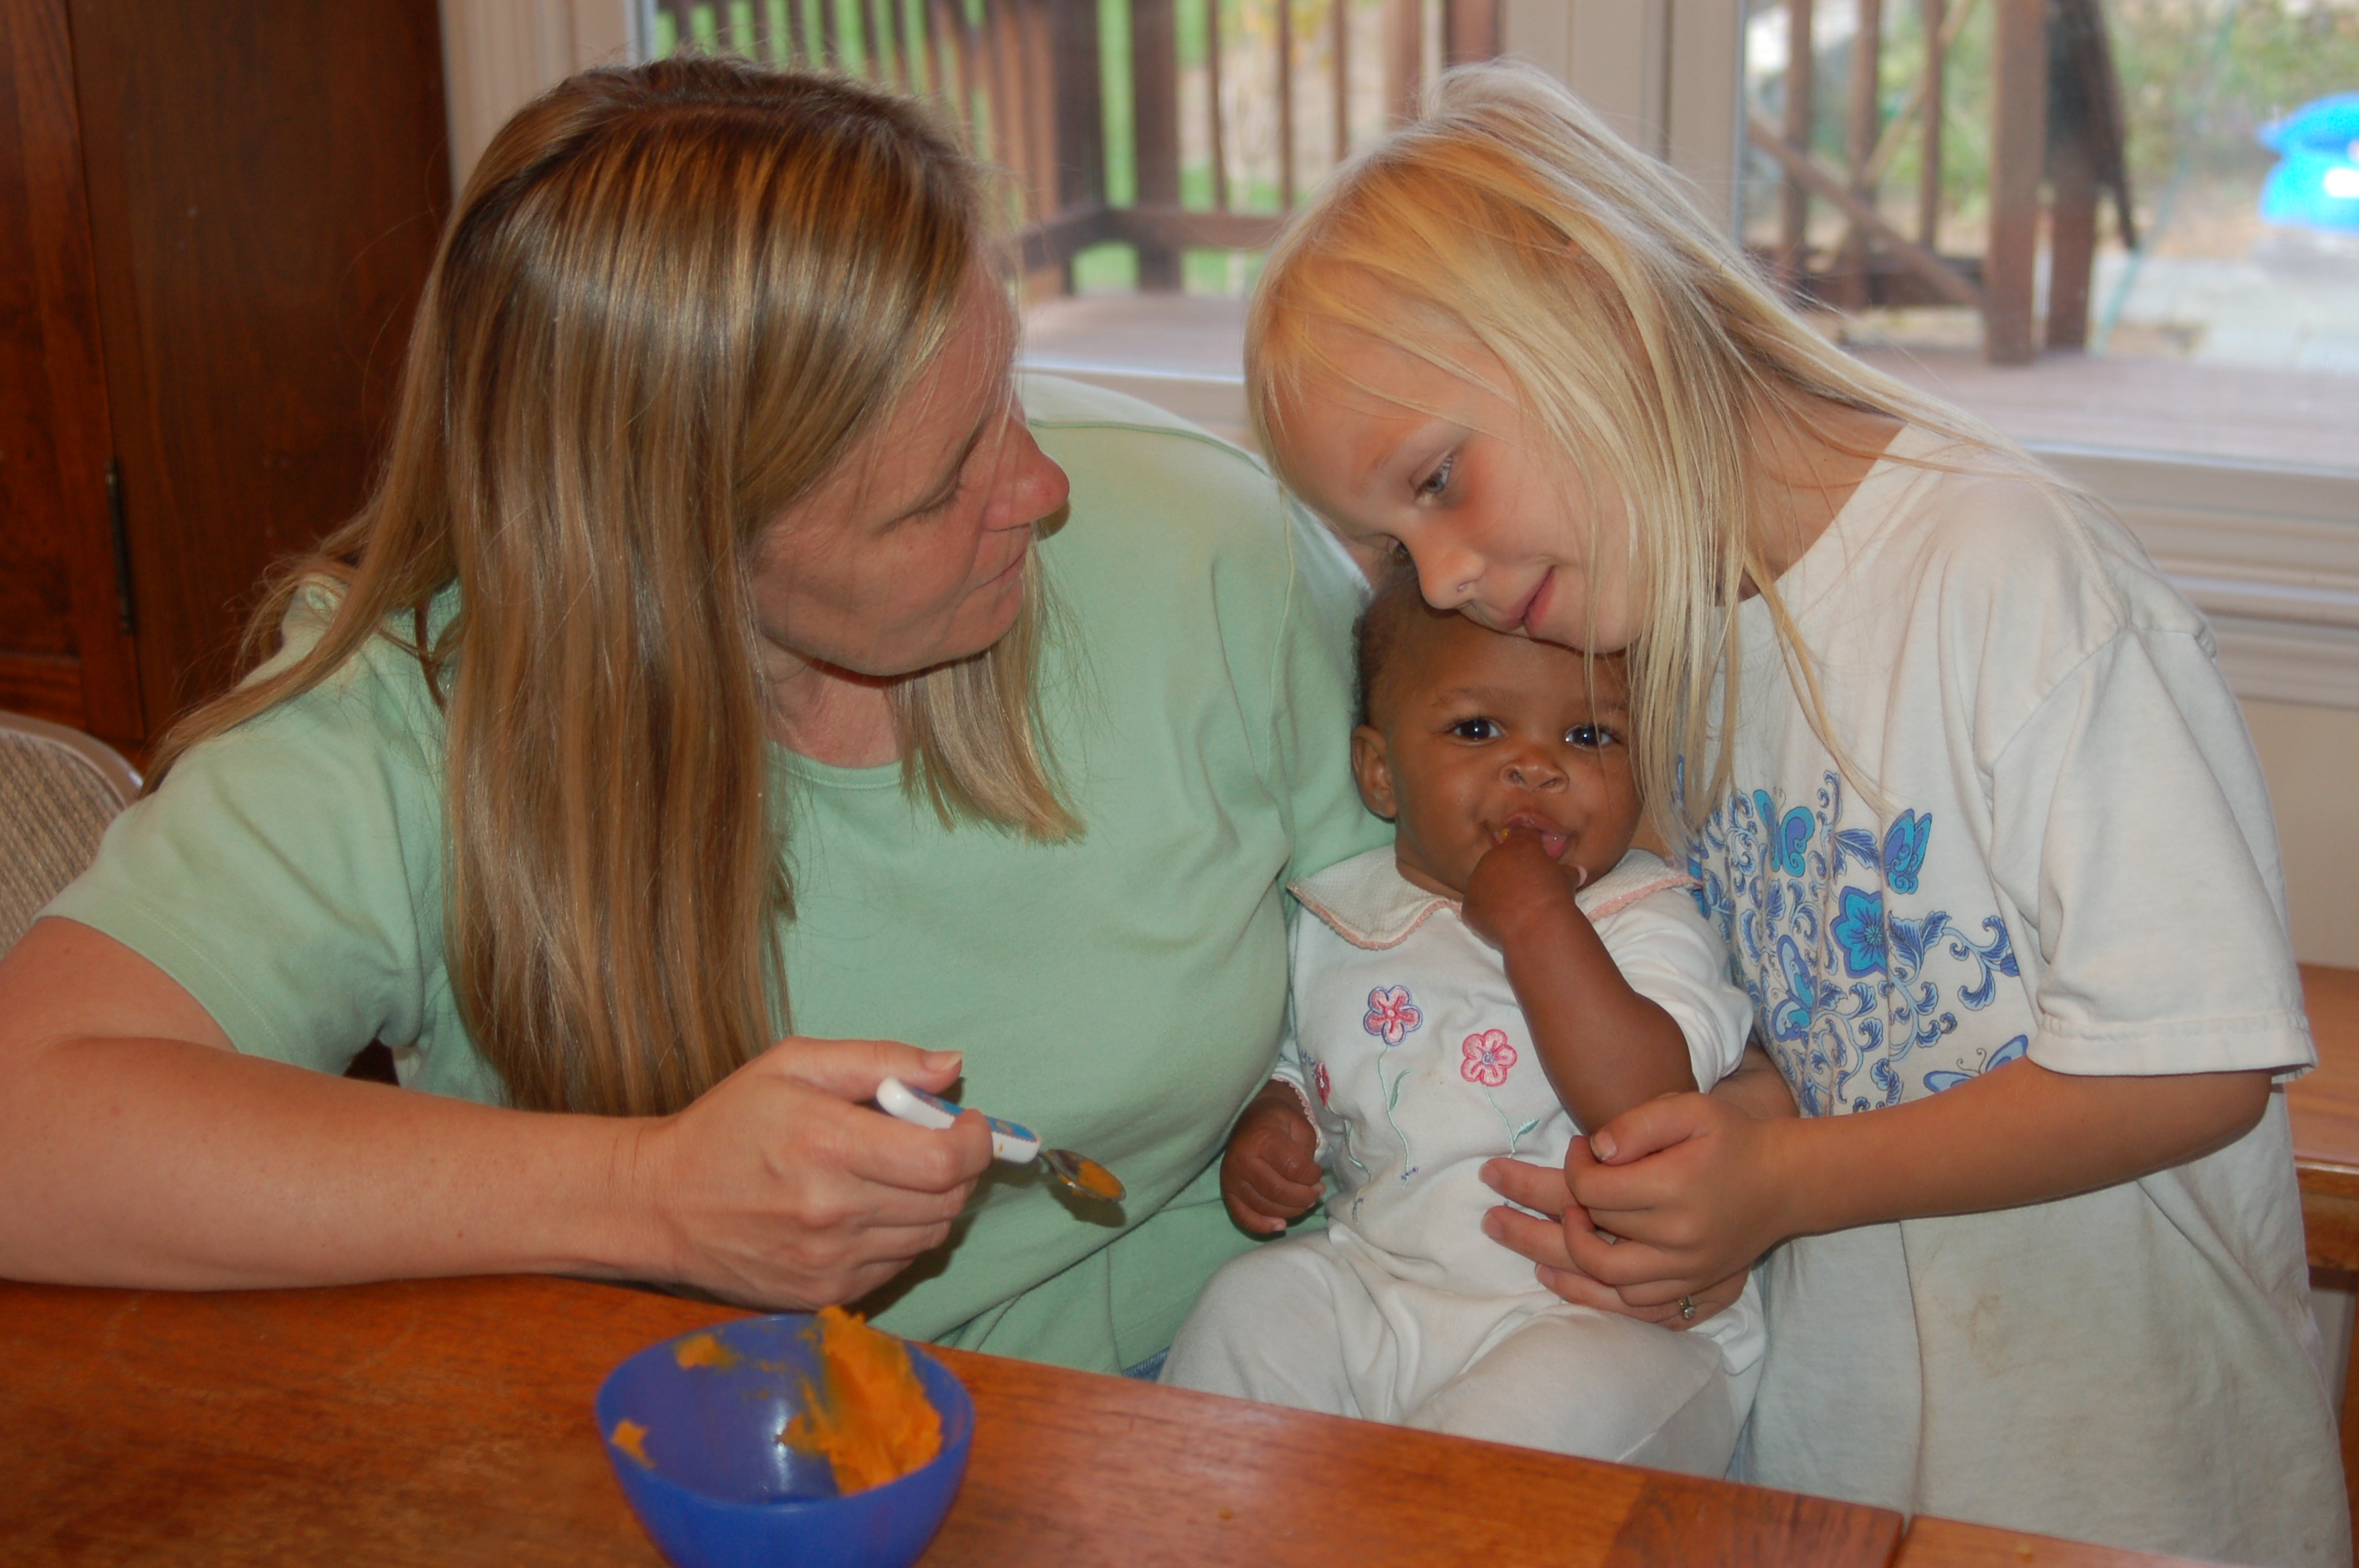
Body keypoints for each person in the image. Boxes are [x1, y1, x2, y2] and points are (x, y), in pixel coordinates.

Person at [0, 60, 1387, 1377]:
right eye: (936, 489)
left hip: (1225, 1388)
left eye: (1003, 389)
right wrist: (646, 1194)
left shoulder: (1209, 546)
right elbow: (30, 1126)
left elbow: (1454, 950)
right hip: (693, 1442)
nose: (1039, 488)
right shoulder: (410, 715)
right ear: (675, 553)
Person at [1236, 60, 2347, 1568]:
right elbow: (1812, 1022)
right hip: (1844, 1466)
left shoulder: (2002, 573)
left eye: (1437, 480)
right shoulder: (1669, 640)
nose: (1437, 581)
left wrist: (1777, 1183)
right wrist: (1712, 1170)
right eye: (1387, 543)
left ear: (1596, 308)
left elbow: (2196, 1062)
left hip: (2119, 1485)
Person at [1159, 573, 1762, 1472]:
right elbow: (1310, 1057)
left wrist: (1537, 922)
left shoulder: (1642, 917)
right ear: (1378, 771)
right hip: (1379, 1282)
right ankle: (1209, 1518)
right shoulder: (1341, 915)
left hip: (1602, 1317)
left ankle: (1407, 1516)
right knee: (1249, 1304)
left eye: (1589, 735)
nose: (1536, 766)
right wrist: (1280, 1119)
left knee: (1513, 1431)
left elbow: (1645, 1101)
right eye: (1478, 728)